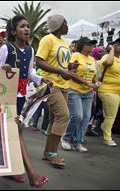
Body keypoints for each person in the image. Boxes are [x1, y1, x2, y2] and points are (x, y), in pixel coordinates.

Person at [0, 15, 50, 187]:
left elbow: (30, 73)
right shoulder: (6, 48)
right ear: (13, 31)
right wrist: (3, 69)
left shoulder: (30, 50)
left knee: (11, 132)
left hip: (20, 97)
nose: (27, 29)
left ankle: (11, 170)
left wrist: (42, 80)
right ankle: (31, 174)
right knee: (15, 131)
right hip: (5, 95)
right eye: (22, 26)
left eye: (28, 26)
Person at [35, 14, 77, 168]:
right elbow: (39, 61)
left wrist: (70, 67)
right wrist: (60, 71)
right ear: (59, 25)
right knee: (64, 116)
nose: (67, 26)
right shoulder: (47, 39)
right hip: (50, 83)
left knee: (55, 119)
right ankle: (53, 153)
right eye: (65, 23)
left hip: (64, 85)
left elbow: (61, 64)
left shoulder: (64, 43)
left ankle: (47, 152)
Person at [60, 37, 101, 152]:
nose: (91, 47)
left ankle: (79, 142)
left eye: (92, 45)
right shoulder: (76, 56)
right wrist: (88, 83)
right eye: (89, 44)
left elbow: (92, 74)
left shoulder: (92, 59)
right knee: (77, 116)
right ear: (82, 45)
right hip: (74, 91)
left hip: (88, 93)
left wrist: (96, 82)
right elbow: (72, 74)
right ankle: (66, 138)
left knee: (85, 118)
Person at [98, 38, 120, 146]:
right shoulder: (107, 57)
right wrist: (111, 49)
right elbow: (108, 62)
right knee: (111, 115)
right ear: (111, 47)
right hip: (109, 90)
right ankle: (107, 138)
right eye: (117, 45)